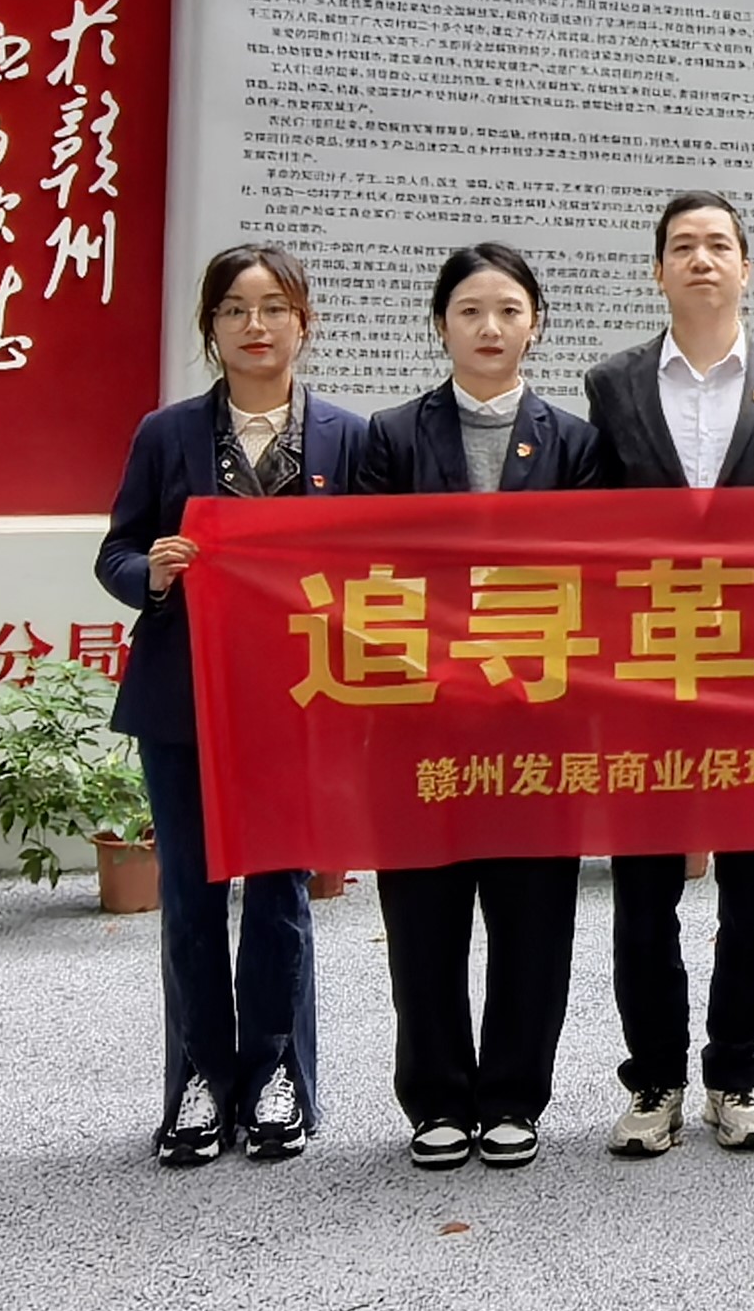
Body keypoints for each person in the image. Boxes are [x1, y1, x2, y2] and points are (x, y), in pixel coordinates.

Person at [96, 242, 365, 1168]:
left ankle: (277, 1073)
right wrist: (153, 572)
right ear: (210, 328)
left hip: (296, 700)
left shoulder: (347, 438)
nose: (256, 325)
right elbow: (115, 552)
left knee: (282, 891)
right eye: (236, 309)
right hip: (183, 700)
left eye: (274, 308)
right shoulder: (166, 434)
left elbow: (379, 567)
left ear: (303, 323)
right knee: (190, 894)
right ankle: (200, 1082)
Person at [582, 189, 754, 1158]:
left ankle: (735, 1075)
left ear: (746, 267)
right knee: (644, 894)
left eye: (719, 244)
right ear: (659, 270)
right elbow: (590, 531)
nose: (702, 259)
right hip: (647, 672)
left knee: (753, 894)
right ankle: (654, 1081)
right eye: (683, 246)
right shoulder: (613, 385)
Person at [353, 244, 601, 1172]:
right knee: (424, 916)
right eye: (469, 311)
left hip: (536, 717)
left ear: (536, 324)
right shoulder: (390, 437)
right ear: (441, 325)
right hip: (420, 717)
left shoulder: (574, 443)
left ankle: (512, 1097)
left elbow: (592, 579)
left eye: (507, 310)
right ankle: (436, 1100)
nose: (489, 328)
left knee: (533, 917)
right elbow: (369, 571)